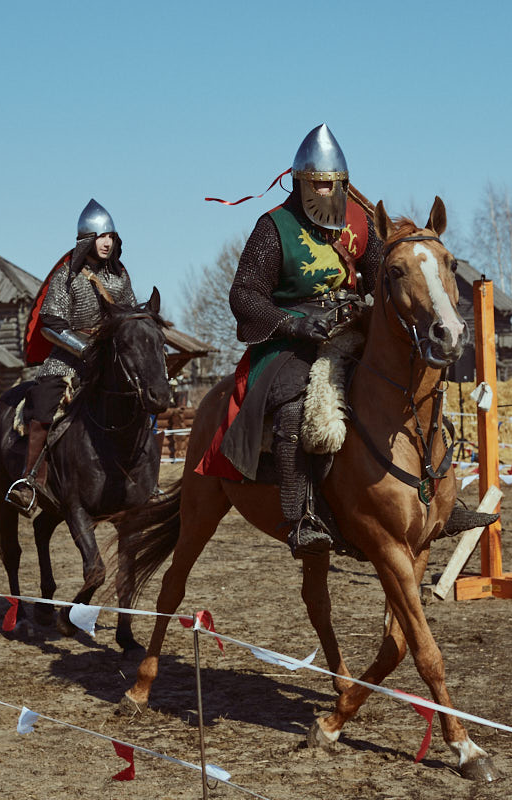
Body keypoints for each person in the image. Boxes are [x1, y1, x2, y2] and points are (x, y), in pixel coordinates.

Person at [223, 124, 383, 558]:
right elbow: (244, 294)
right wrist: (292, 325)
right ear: (301, 182)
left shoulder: (360, 222)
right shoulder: (274, 226)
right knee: (295, 409)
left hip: (350, 329)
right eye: (320, 183)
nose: (328, 191)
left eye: (335, 184)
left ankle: (435, 491)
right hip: (290, 339)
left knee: (401, 381)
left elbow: (381, 276)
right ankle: (302, 518)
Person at [7, 199, 138, 513]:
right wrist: (84, 347)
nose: (107, 243)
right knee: (43, 406)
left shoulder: (120, 276)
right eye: (101, 237)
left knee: (141, 399)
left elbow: (130, 317)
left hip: (109, 360)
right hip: (67, 361)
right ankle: (29, 482)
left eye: (111, 237)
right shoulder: (68, 276)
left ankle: (142, 479)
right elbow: (50, 325)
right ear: (87, 240)